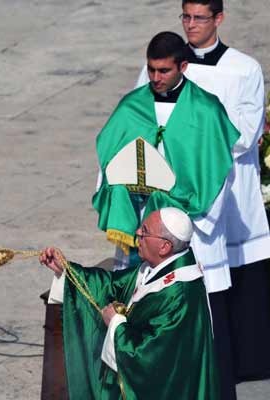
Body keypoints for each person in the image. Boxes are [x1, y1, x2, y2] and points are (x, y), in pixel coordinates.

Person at [136, 1, 270, 397]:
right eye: (186, 17)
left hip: (221, 192)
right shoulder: (163, 64)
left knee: (219, 291)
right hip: (171, 194)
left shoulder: (243, 69)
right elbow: (138, 118)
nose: (191, 25)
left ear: (218, 19)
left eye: (199, 18)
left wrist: (197, 140)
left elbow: (246, 133)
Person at [91, 31, 239, 267]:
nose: (155, 77)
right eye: (151, 69)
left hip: (188, 218)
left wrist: (197, 219)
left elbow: (220, 168)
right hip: (141, 217)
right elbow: (109, 162)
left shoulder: (206, 110)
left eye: (164, 71)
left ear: (183, 66)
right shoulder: (131, 107)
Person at [41, 208, 219, 399]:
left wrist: (116, 324)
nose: (137, 233)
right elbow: (111, 285)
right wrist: (67, 270)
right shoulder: (155, 268)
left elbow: (149, 357)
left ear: (164, 247)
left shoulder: (181, 295)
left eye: (145, 230)